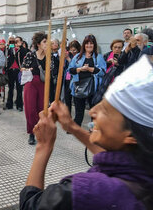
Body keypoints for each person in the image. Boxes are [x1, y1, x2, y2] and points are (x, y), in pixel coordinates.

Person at [20, 55, 153, 210]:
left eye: (105, 109)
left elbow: (30, 204)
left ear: (130, 135)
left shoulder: (90, 192)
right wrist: (72, 126)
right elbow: (116, 157)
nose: (93, 111)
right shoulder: (142, 167)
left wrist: (43, 146)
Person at [68, 34, 106, 126]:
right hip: (78, 86)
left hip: (93, 87)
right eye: (87, 43)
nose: (89, 45)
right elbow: (70, 70)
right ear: (84, 45)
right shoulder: (77, 56)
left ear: (94, 45)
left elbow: (103, 72)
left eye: (91, 43)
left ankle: (94, 128)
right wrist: (80, 69)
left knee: (94, 110)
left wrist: (90, 69)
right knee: (79, 109)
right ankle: (76, 126)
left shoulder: (98, 57)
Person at [21, 32, 47, 145]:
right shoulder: (30, 55)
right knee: (30, 109)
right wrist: (28, 70)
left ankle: (40, 131)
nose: (47, 44)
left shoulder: (49, 56)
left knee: (41, 109)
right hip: (30, 83)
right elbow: (22, 68)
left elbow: (53, 71)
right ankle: (32, 133)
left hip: (43, 84)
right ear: (38, 44)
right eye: (44, 42)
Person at [6, 36, 28, 111]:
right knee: (10, 88)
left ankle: (19, 105)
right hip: (11, 71)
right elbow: (5, 54)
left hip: (19, 71)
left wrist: (20, 46)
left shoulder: (23, 50)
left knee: (19, 89)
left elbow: (25, 53)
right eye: (14, 41)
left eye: (17, 41)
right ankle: (9, 104)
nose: (15, 42)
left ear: (21, 42)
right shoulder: (10, 48)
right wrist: (8, 44)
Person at [63, 40, 80, 114]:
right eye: (71, 50)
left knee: (76, 99)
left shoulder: (80, 56)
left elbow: (75, 67)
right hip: (67, 78)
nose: (72, 52)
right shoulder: (68, 54)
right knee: (67, 97)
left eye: (74, 50)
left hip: (76, 79)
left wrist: (68, 59)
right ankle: (68, 114)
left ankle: (77, 115)